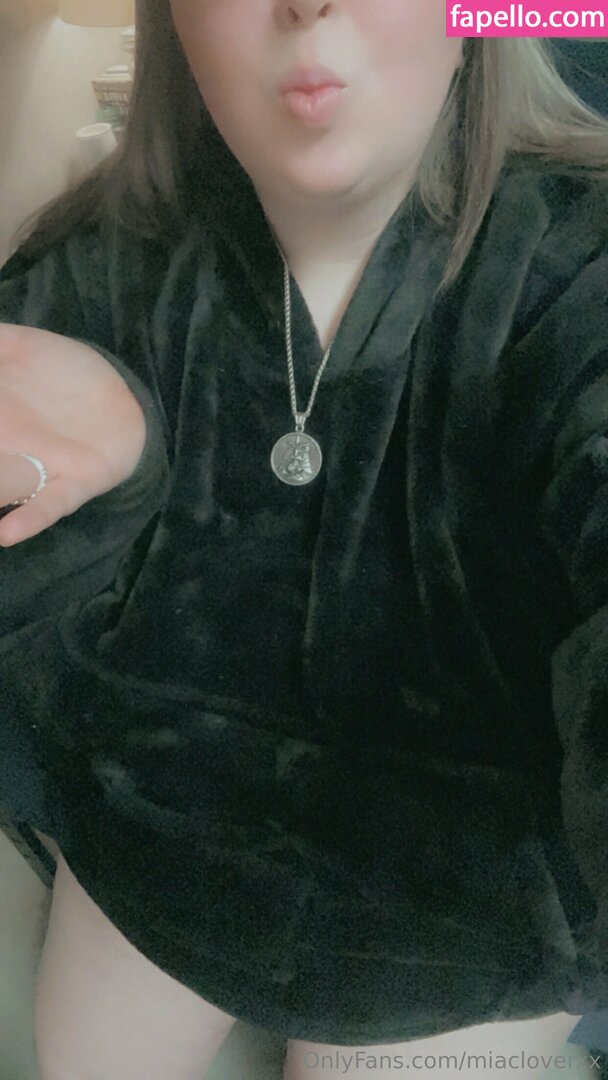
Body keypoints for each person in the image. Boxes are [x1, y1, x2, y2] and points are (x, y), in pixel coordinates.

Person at [1, 2, 608, 1078]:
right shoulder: (86, 270)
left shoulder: (579, 267)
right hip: (158, 864)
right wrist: (102, 491)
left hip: (459, 939)